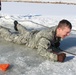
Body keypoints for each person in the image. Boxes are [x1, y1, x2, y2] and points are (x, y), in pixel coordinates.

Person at [0, 19, 72, 62]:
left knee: (26, 32)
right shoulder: (46, 38)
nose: (68, 34)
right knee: (11, 37)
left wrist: (55, 42)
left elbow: (55, 37)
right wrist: (56, 57)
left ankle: (17, 25)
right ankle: (1, 29)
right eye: (67, 32)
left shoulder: (57, 29)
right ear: (59, 29)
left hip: (35, 34)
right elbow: (41, 51)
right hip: (27, 40)